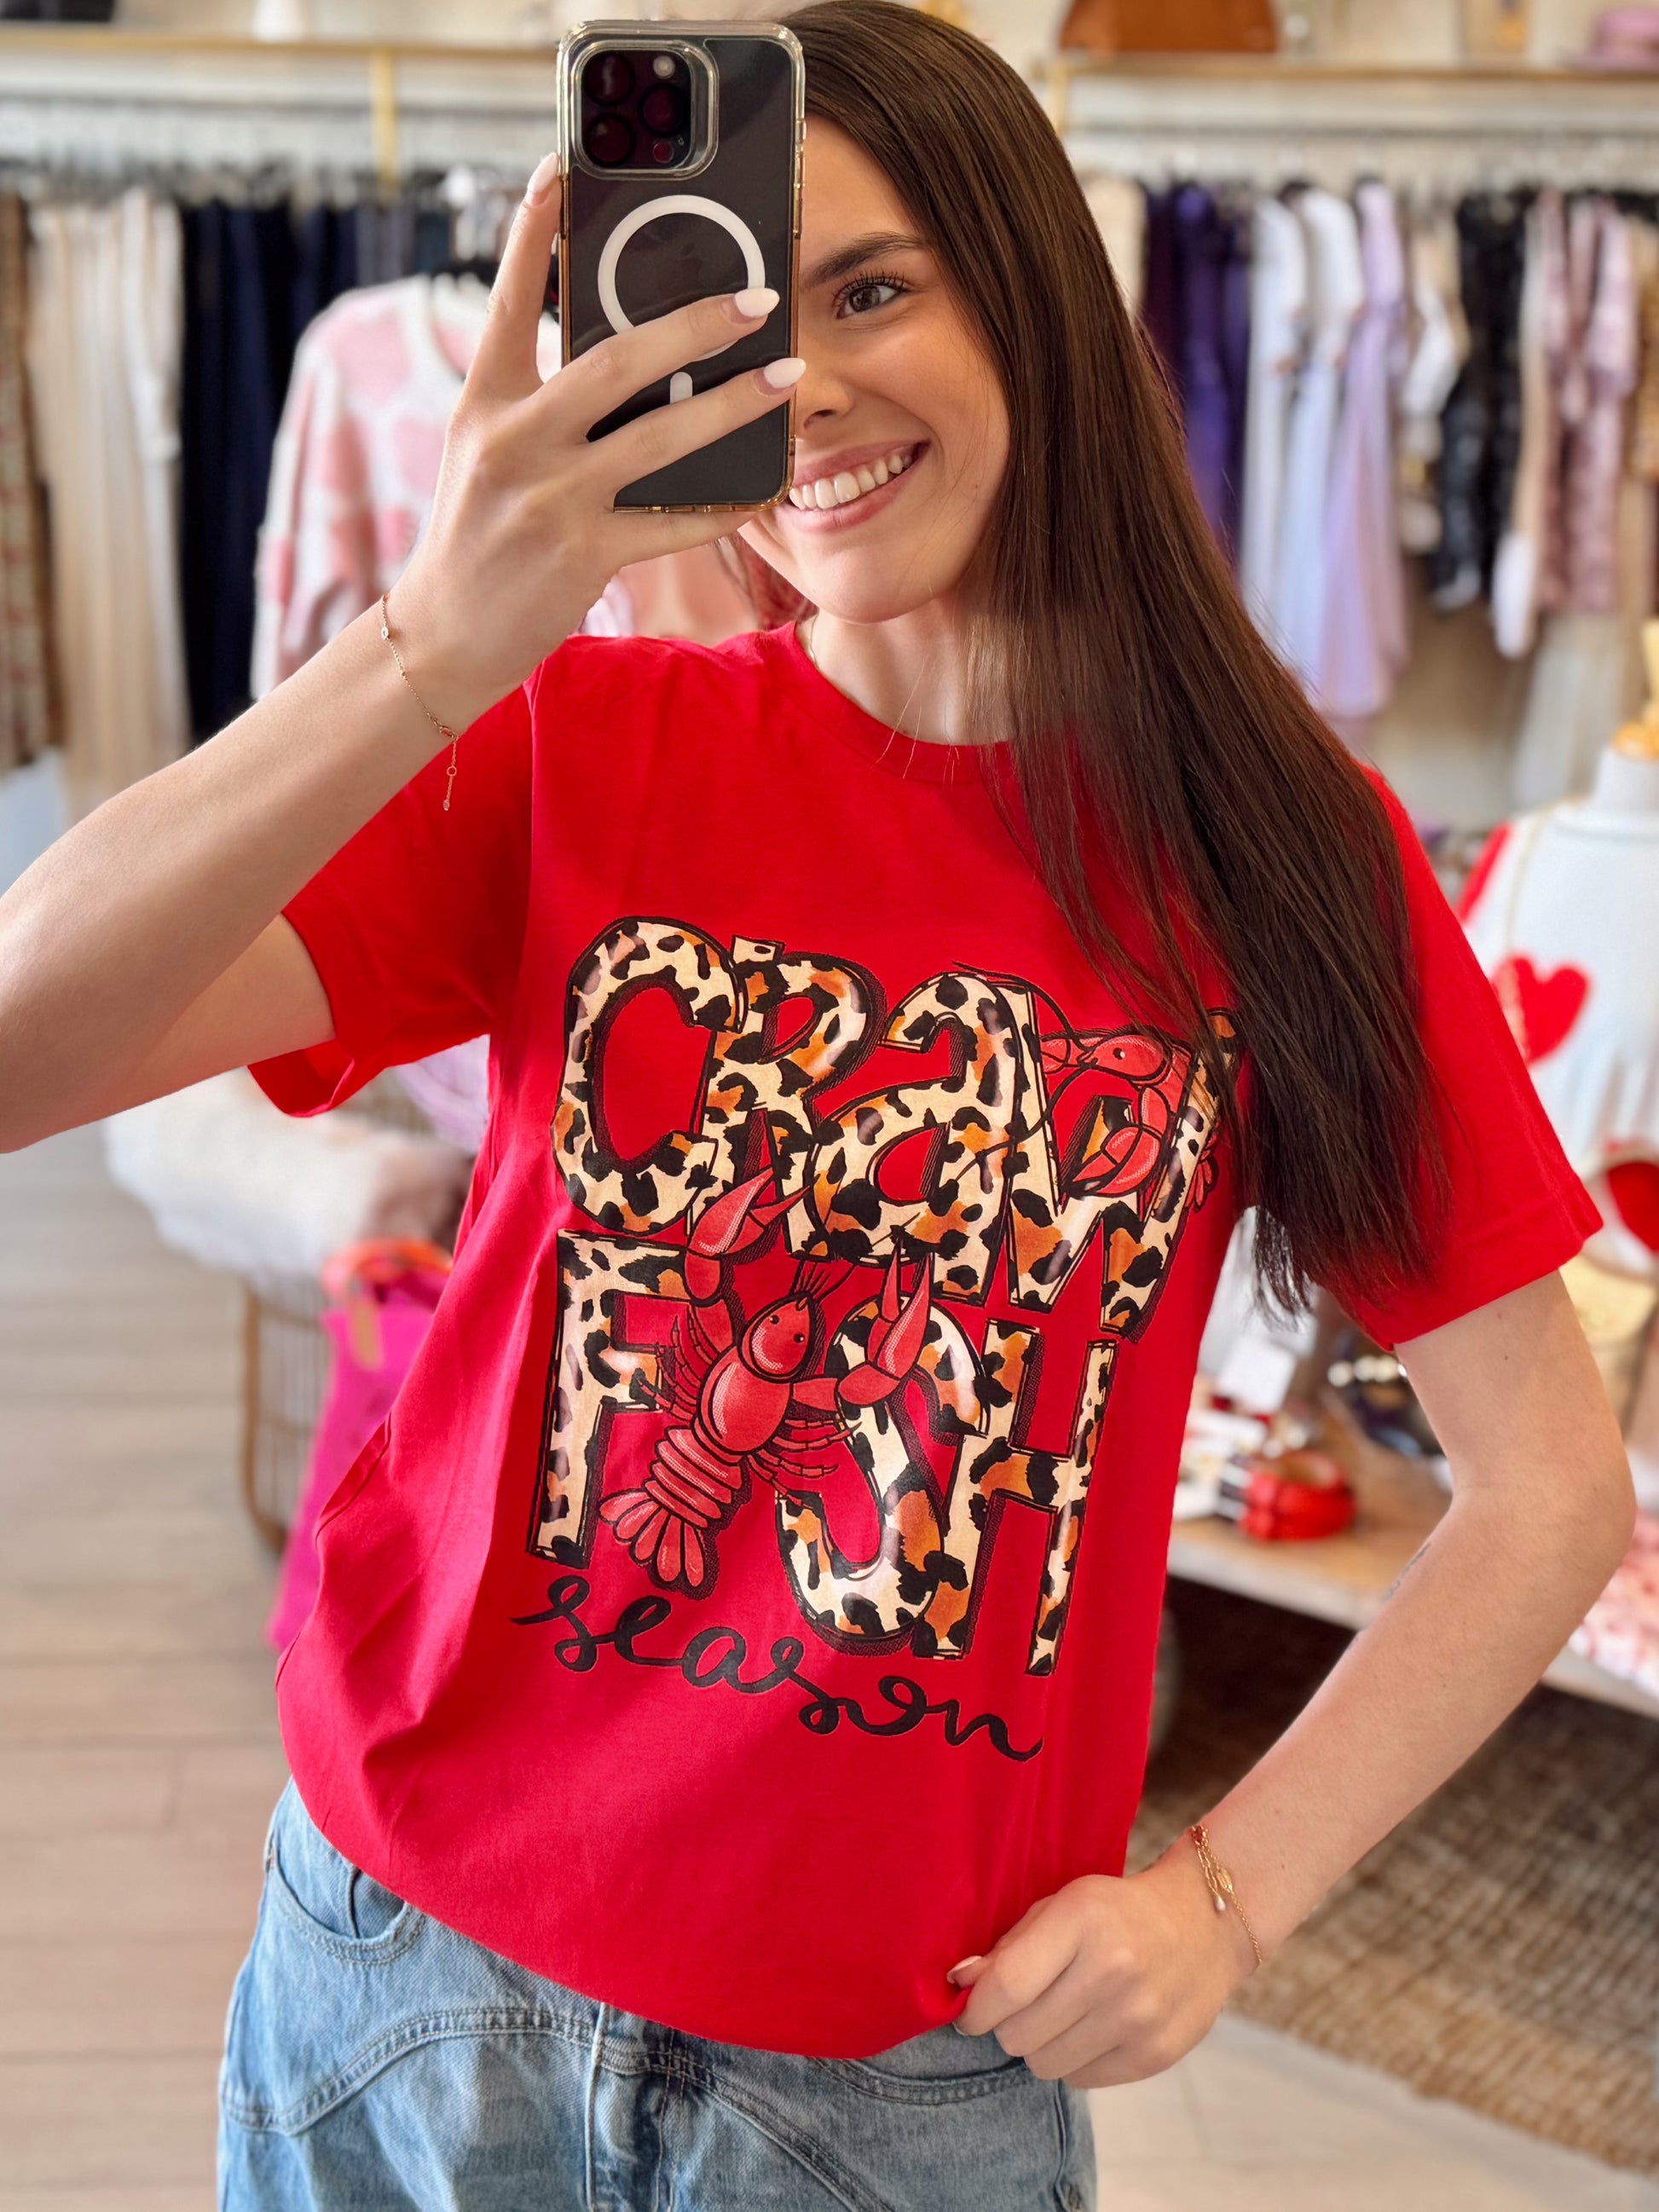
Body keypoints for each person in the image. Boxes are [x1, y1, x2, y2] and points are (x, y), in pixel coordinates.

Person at [0, 5, 1633, 2206]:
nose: (807, 390)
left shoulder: (1283, 861)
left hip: (884, 2085)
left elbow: (1544, 1488)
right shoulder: (575, 745)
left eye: (871, 290)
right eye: (733, 327)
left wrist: (1225, 1899)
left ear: (1032, 296)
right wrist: (427, 646)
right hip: (403, 1977)